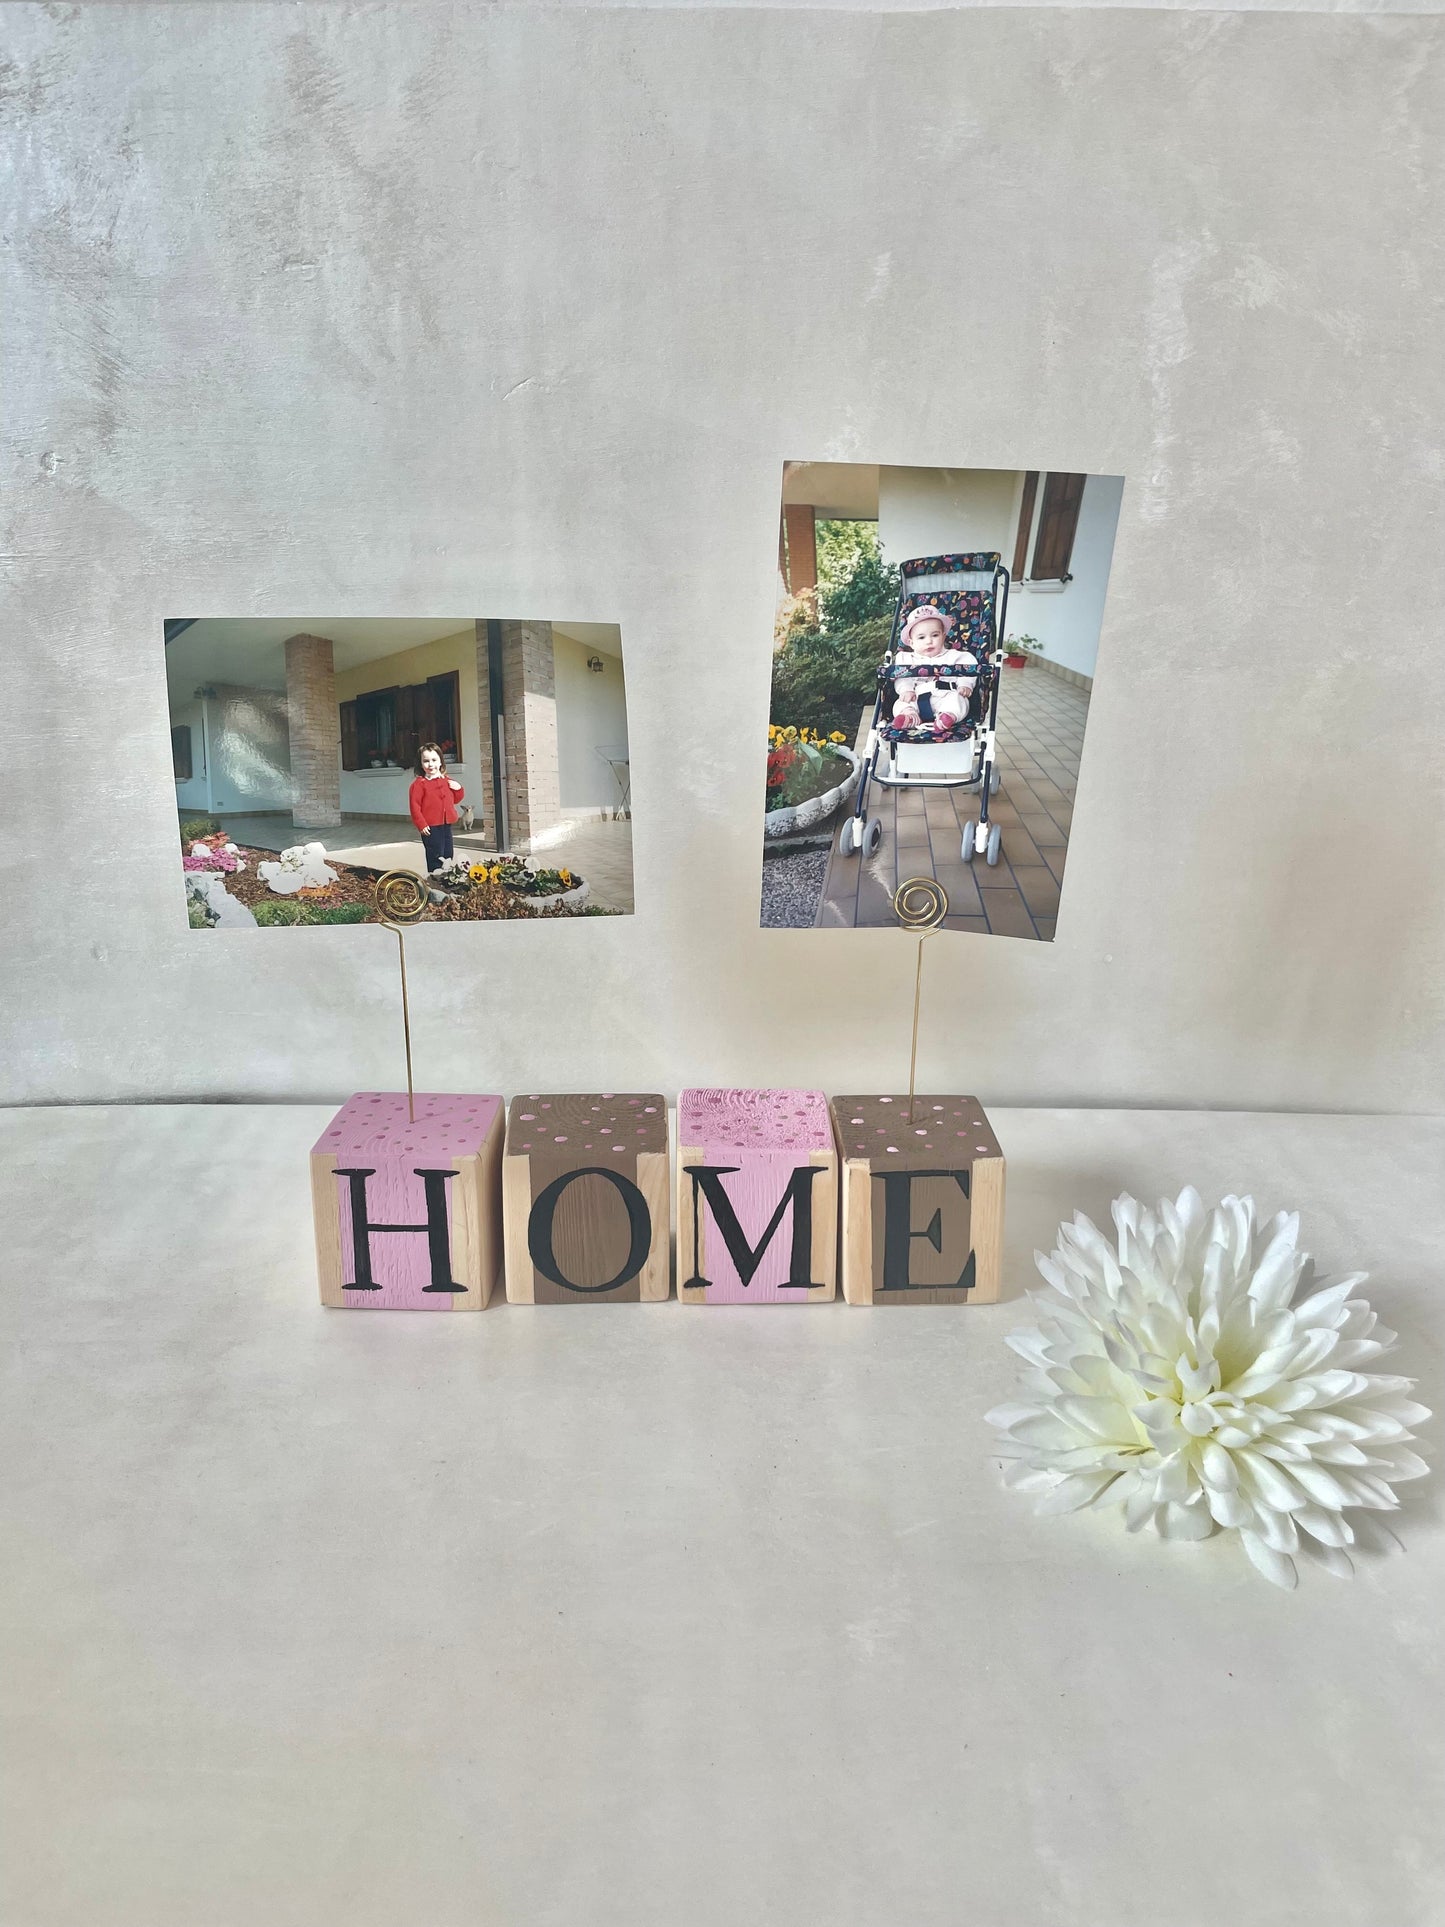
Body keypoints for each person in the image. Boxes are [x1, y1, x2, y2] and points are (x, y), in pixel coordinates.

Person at [890, 604, 979, 734]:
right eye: (921, 637)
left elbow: (969, 668)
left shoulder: (956, 656)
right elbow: (902, 678)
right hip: (916, 697)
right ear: (911, 643)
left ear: (943, 636)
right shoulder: (905, 658)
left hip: (945, 695)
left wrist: (965, 684)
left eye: (935, 635)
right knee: (901, 703)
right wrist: (906, 690)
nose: (929, 641)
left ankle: (947, 717)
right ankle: (910, 716)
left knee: (959, 700)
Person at [408, 742, 466, 873]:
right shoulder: (419, 784)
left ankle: (447, 875)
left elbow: (455, 800)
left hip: (446, 824)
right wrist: (421, 824)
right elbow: (415, 806)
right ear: (421, 764)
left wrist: (458, 789)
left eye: (434, 760)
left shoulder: (446, 780)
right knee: (435, 853)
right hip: (430, 826)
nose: (430, 764)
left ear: (440, 762)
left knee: (448, 852)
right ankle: (435, 877)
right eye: (426, 761)